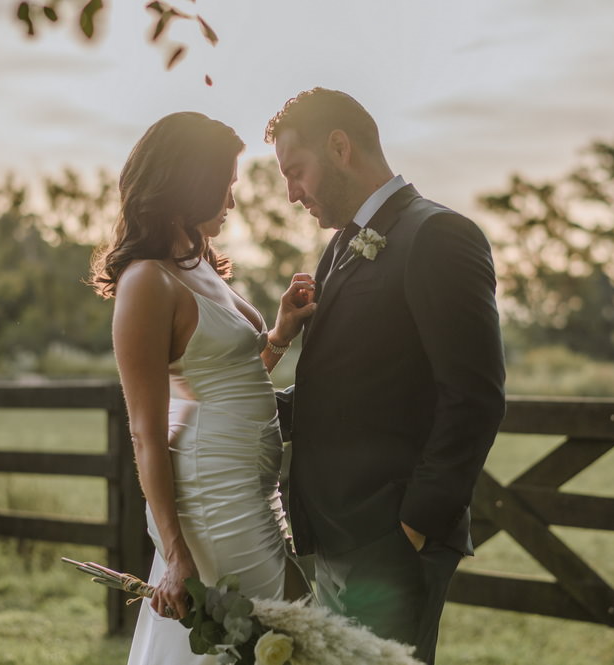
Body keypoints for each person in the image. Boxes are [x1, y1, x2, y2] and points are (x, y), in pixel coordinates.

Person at [264, 88, 507, 665]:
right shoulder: (340, 246)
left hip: (390, 541)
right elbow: (353, 387)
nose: (292, 194)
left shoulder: (439, 236)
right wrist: (234, 408)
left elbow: (474, 396)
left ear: (340, 147)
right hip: (333, 536)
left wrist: (415, 526)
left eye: (296, 172)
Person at [89, 111, 315, 665]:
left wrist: (279, 333)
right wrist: (174, 553)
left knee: (282, 640)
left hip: (253, 494)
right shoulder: (146, 281)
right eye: (226, 185)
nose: (232, 202)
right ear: (188, 181)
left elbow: (226, 384)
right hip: (212, 504)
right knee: (273, 641)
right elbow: (145, 432)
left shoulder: (200, 267)